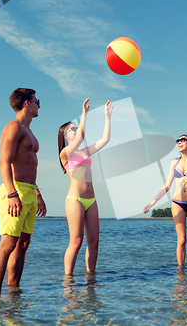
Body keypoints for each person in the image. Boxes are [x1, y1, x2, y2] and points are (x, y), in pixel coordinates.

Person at [0, 88, 47, 294]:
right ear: (26, 103)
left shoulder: (29, 132)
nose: (38, 105)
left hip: (30, 192)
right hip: (15, 191)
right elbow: (4, 163)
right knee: (8, 243)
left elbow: (31, 165)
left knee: (23, 244)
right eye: (36, 100)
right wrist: (12, 194)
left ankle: (13, 291)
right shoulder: (12, 128)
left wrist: (38, 194)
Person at [58, 98, 113, 275]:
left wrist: (107, 117)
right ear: (66, 136)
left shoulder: (84, 151)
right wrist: (85, 114)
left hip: (92, 200)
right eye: (72, 129)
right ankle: (68, 280)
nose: (77, 131)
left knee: (94, 241)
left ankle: (91, 279)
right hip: (75, 200)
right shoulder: (65, 153)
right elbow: (81, 136)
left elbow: (105, 139)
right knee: (76, 241)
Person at [143, 135, 187, 266]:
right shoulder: (174, 162)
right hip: (177, 203)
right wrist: (153, 201)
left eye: (183, 140)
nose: (180, 142)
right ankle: (180, 272)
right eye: (178, 141)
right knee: (181, 240)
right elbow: (167, 185)